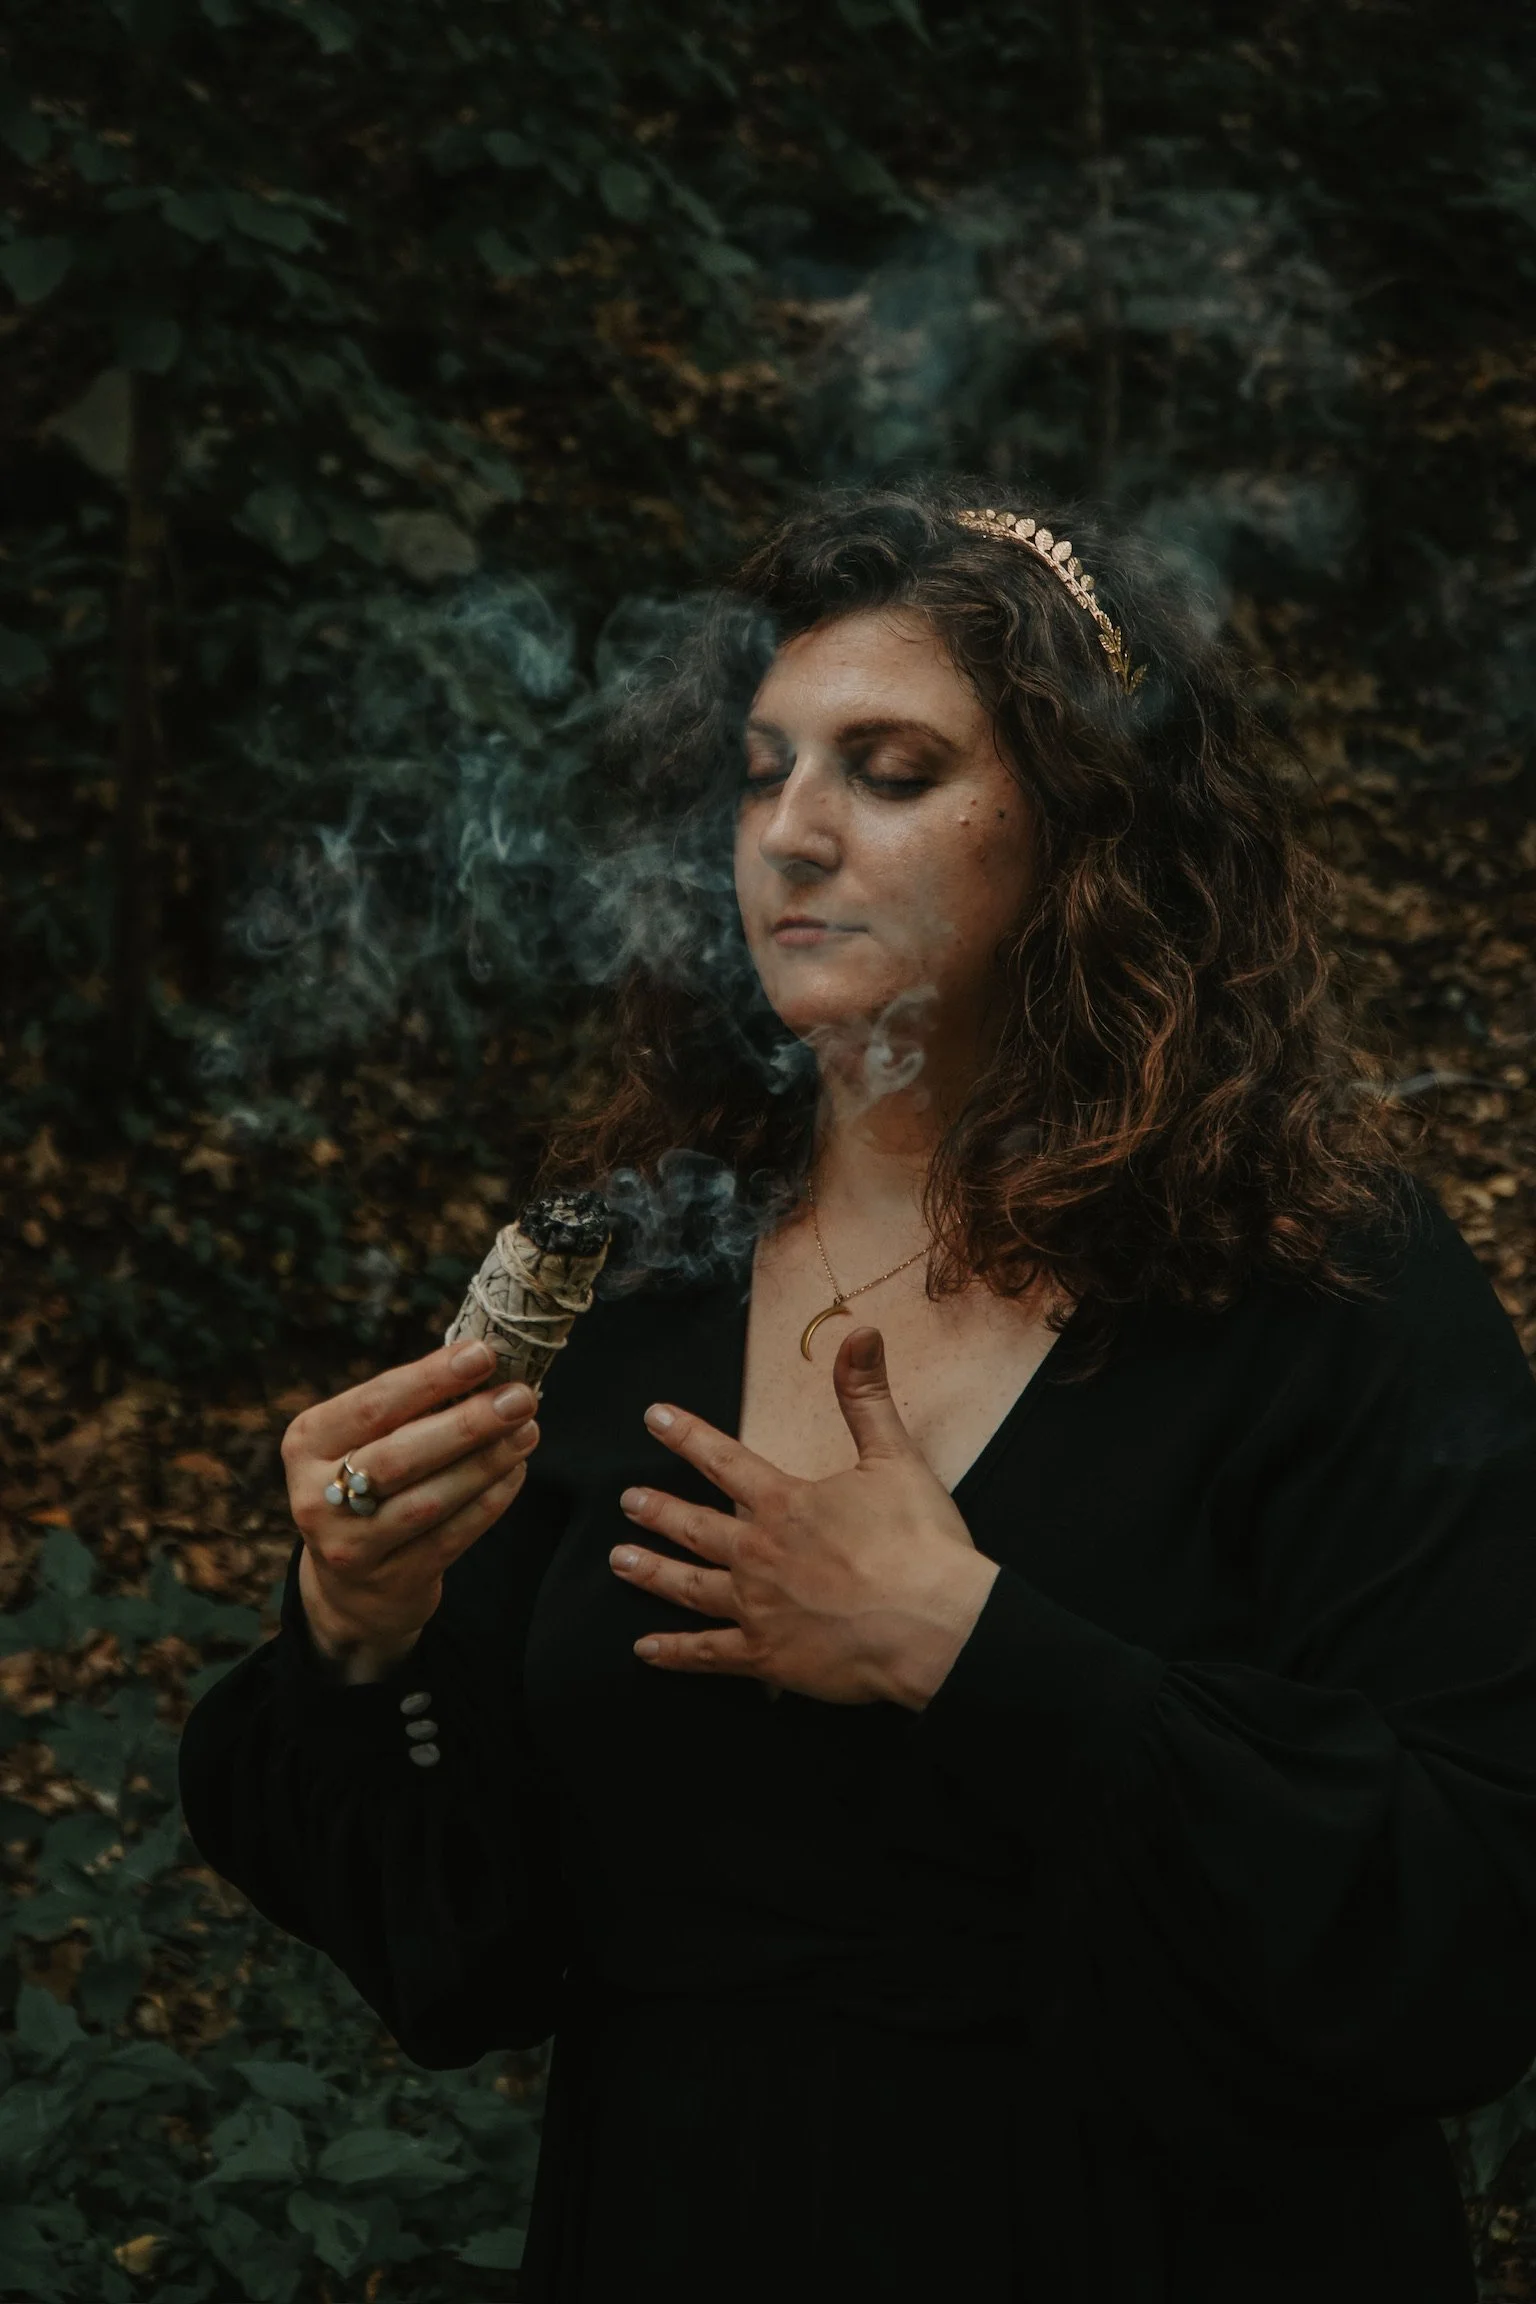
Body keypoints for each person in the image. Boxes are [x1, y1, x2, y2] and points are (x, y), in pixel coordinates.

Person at [177, 479, 1536, 2303]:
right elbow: (468, 1947)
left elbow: (1470, 1908)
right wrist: (355, 1635)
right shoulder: (636, 1286)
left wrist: (979, 1651)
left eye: (889, 771)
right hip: (688, 2220)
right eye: (761, 771)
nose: (792, 835)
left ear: (1082, 830)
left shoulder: (1321, 1284)